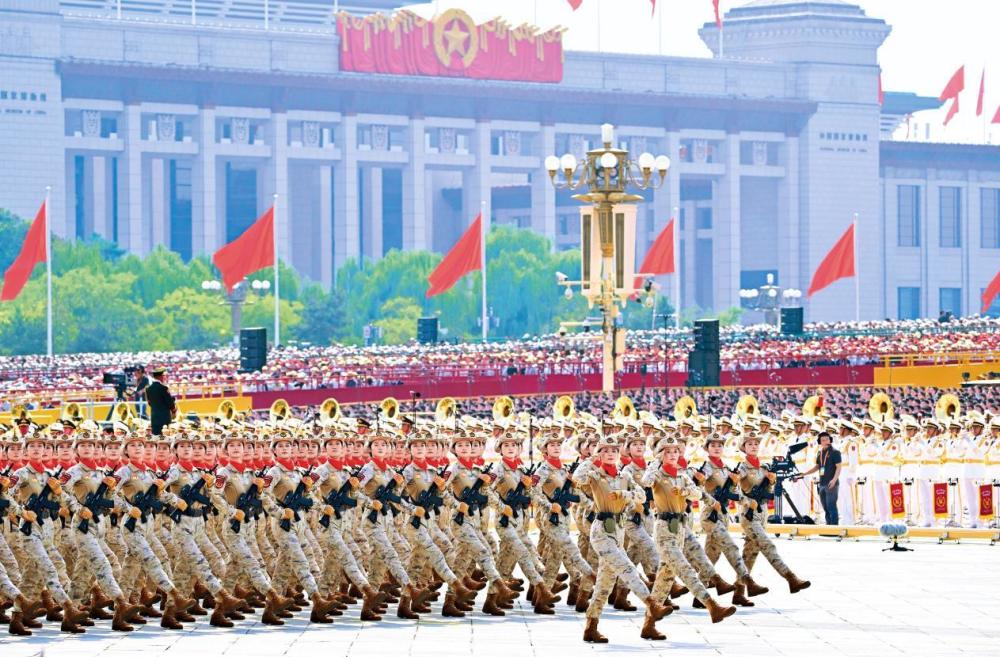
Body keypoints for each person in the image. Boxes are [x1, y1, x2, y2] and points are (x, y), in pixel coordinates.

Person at [801, 432, 843, 525]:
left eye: (827, 439)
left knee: (831, 506)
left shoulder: (835, 452)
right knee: (825, 508)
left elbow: (839, 467)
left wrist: (834, 480)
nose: (825, 441)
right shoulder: (820, 452)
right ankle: (828, 526)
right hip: (822, 483)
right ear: (820, 442)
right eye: (823, 440)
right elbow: (817, 467)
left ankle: (834, 527)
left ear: (830, 440)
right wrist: (805, 473)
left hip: (831, 483)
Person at [144, 367, 176, 436]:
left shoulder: (148, 389)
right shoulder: (163, 388)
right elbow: (170, 403)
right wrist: (173, 411)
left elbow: (149, 403)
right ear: (160, 377)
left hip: (154, 417)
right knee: (165, 437)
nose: (164, 377)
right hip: (164, 417)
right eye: (163, 376)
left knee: (155, 437)